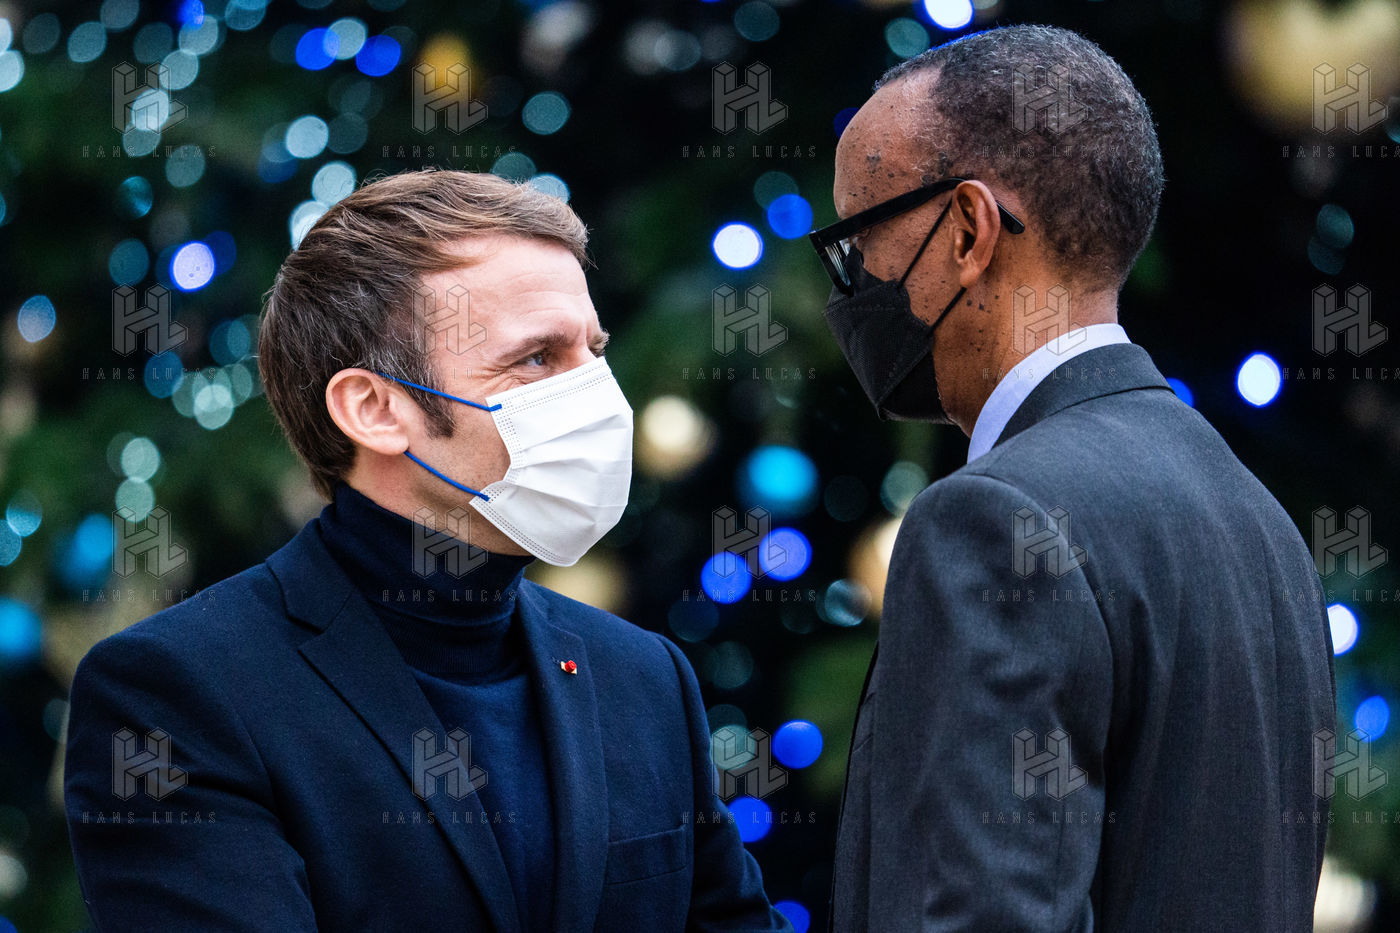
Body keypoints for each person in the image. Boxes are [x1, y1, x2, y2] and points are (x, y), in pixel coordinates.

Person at [64, 169, 791, 932]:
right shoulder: (175, 694)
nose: (600, 396)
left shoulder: (642, 676)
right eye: (538, 357)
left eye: (594, 350)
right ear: (375, 408)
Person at [814, 25, 1335, 932]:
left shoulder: (992, 516)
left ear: (969, 229)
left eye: (860, 240)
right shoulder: (1261, 518)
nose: (853, 283)